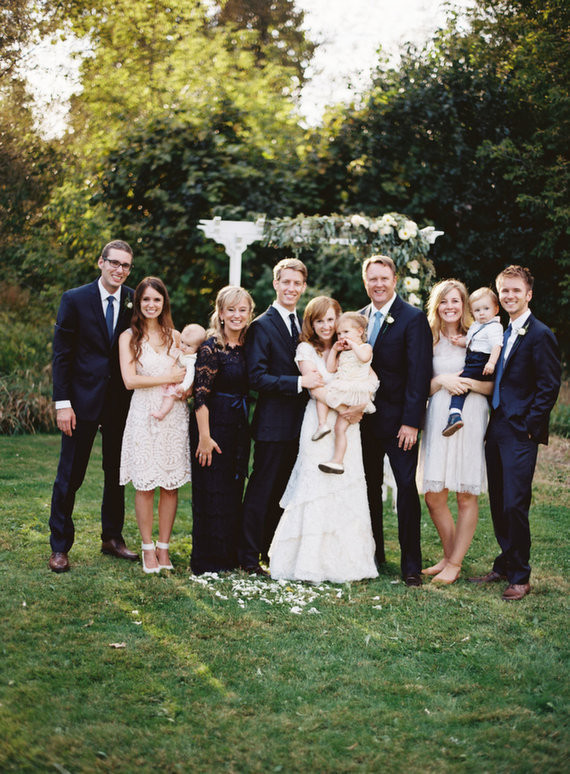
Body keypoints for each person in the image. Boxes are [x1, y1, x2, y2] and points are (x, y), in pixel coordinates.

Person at [269, 297, 378, 583]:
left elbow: (371, 379)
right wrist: (345, 409)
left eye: (331, 320)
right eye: (320, 321)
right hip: (322, 421)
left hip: (349, 421)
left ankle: (346, 562)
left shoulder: (350, 348)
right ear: (311, 323)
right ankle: (309, 562)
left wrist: (361, 405)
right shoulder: (307, 349)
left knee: (346, 483)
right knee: (315, 484)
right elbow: (315, 389)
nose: (327, 326)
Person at [470, 265, 560, 601]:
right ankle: (506, 564)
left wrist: (529, 428)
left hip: (520, 432)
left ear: (528, 294)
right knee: (498, 500)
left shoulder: (540, 334)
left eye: (515, 290)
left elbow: (549, 386)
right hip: (496, 428)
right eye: (504, 290)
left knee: (515, 504)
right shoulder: (502, 332)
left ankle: (521, 576)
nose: (509, 296)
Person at [49, 240, 138, 573]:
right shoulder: (74, 299)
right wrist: (63, 404)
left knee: (116, 474)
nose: (119, 270)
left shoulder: (134, 300)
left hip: (119, 403)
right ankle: (60, 546)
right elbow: (62, 355)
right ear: (101, 262)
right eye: (114, 262)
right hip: (80, 402)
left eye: (125, 265)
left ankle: (112, 538)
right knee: (70, 475)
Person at [239, 258, 324, 575]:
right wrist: (300, 382)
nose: (291, 288)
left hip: (300, 424)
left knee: (283, 492)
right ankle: (248, 556)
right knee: (262, 490)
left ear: (303, 287)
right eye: (286, 282)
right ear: (276, 284)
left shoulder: (303, 325)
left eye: (297, 283)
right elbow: (256, 377)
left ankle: (269, 550)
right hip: (272, 424)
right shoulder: (261, 325)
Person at [359, 254, 432, 586]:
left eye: (384, 278)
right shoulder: (358, 318)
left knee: (405, 488)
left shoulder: (412, 318)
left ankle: (411, 565)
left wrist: (411, 422)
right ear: (366, 282)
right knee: (368, 488)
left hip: (400, 423)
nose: (378, 284)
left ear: (394, 281)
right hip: (364, 421)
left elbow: (419, 374)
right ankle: (374, 555)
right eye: (372, 279)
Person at [417, 280, 494, 584]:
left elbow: (492, 386)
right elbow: (419, 387)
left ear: (464, 305)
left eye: (455, 301)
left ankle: (455, 563)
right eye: (444, 301)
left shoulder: (479, 335)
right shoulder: (428, 338)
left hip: (470, 414)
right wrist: (441, 381)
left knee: (465, 493)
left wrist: (467, 384)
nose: (450, 307)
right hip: (438, 415)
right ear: (436, 306)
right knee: (434, 496)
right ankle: (450, 557)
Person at [119, 277, 190, 574]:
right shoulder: (128, 338)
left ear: (164, 303)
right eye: (146, 299)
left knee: (169, 485)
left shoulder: (175, 336)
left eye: (156, 300)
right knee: (146, 484)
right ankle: (147, 547)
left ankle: (164, 546)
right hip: (144, 413)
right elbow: (129, 380)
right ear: (138, 302)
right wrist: (169, 379)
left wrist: (184, 388)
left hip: (173, 415)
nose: (151, 305)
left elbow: (187, 372)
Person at [189, 286, 254, 575]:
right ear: (221, 313)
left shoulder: (249, 345)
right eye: (231, 309)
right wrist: (204, 437)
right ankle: (208, 560)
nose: (237, 315)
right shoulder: (210, 347)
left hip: (238, 428)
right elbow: (200, 396)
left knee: (232, 490)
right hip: (212, 426)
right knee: (211, 491)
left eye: (242, 310)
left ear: (249, 313)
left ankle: (229, 556)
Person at [315, 312, 379, 475]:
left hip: (355, 392)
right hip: (342, 389)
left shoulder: (365, 348)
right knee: (324, 399)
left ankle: (337, 460)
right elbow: (330, 368)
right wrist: (335, 350)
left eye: (346, 332)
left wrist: (353, 344)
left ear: (359, 331)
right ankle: (323, 426)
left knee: (339, 424)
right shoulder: (343, 352)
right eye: (339, 334)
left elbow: (364, 358)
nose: (342, 336)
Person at [442, 287, 503, 437]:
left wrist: (491, 363)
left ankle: (454, 414)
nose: (481, 313)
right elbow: (472, 341)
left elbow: (497, 346)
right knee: (464, 383)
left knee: (460, 383)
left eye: (486, 309)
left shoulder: (494, 327)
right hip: (473, 359)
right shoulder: (476, 325)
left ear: (496, 309)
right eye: (477, 310)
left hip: (481, 361)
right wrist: (460, 341)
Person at [151, 323, 206, 421]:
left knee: (170, 396)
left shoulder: (191, 360)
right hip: (172, 379)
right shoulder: (183, 352)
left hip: (179, 385)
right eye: (182, 342)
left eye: (188, 345)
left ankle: (162, 413)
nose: (183, 347)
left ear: (198, 348)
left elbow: (190, 375)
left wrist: (184, 386)